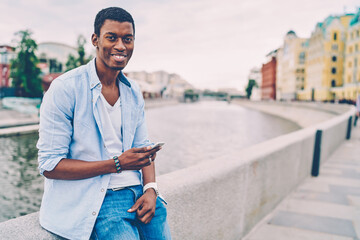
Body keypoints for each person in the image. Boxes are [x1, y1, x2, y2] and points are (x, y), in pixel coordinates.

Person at [37, 7, 171, 240]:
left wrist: (151, 189)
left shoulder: (134, 91)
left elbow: (143, 148)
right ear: (95, 40)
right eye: (112, 37)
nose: (121, 46)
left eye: (127, 39)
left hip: (140, 195)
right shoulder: (65, 89)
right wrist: (117, 164)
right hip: (99, 200)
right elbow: (49, 165)